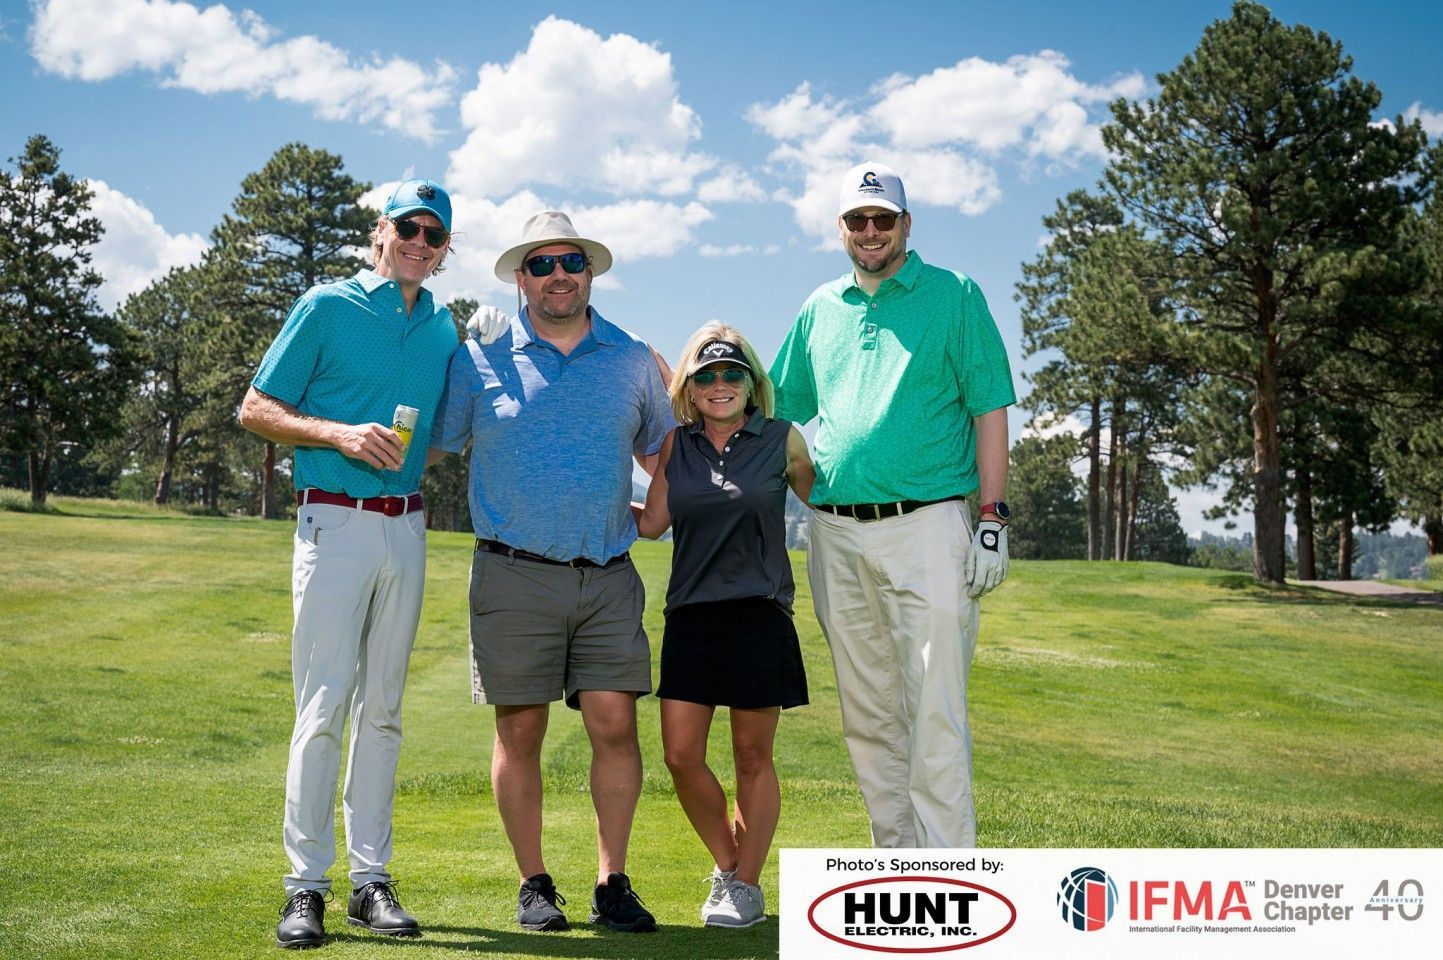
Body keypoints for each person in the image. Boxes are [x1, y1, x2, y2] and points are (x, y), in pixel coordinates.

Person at [429, 211, 674, 934]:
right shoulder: (478, 359)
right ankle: (534, 883)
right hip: (512, 573)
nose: (558, 274)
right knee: (521, 729)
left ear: (589, 273)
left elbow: (663, 451)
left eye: (571, 261)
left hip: (605, 574)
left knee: (614, 723)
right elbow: (434, 448)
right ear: (518, 277)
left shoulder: (629, 359)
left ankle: (612, 883)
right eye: (541, 264)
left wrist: (653, 515)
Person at [238, 178, 460, 948]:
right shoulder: (327, 305)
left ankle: (372, 882)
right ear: (380, 230)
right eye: (409, 227)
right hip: (332, 520)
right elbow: (256, 407)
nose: (418, 243)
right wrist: (336, 435)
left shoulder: (441, 326)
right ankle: (305, 889)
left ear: (443, 250)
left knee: (386, 712)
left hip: (406, 528)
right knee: (324, 707)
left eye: (434, 235)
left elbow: (438, 436)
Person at [769, 161, 1015, 849]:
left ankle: (950, 873)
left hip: (928, 525)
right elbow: (779, 413)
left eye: (883, 219)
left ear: (906, 225)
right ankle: (895, 864)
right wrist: (807, 491)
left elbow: (989, 407)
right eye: (857, 220)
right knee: (868, 712)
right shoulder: (821, 308)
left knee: (932, 706)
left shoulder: (953, 294)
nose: (869, 232)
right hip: (835, 534)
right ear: (840, 229)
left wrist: (991, 518)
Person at [634, 324, 815, 928]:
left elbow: (830, 503)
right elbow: (651, 523)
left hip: (759, 614)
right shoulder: (674, 446)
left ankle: (746, 886)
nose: (719, 385)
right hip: (691, 616)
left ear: (750, 383)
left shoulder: (782, 440)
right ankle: (729, 864)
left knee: (751, 757)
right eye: (705, 375)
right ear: (689, 385)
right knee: (681, 756)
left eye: (731, 374)